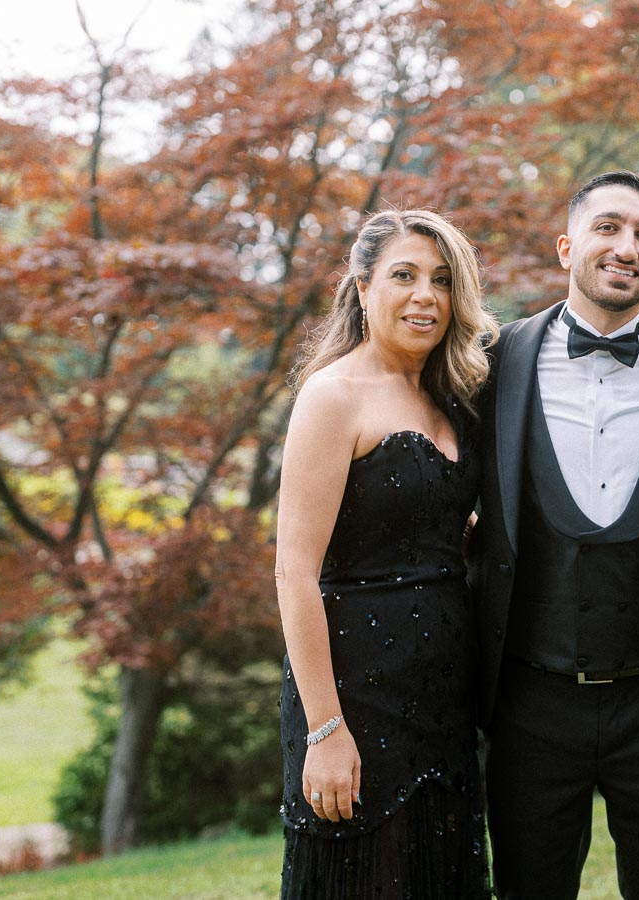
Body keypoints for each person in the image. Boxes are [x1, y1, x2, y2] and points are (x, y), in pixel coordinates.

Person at [470, 171, 639, 900]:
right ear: (566, 246)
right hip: (528, 704)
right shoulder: (488, 363)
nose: (627, 247)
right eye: (608, 228)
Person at [274, 208, 499, 898]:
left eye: (441, 280)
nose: (425, 295)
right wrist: (325, 729)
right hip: (356, 702)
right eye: (404, 275)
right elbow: (294, 571)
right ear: (363, 287)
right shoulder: (332, 396)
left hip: (443, 703)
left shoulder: (455, 398)